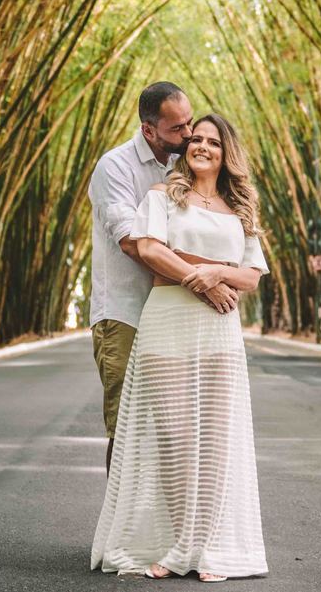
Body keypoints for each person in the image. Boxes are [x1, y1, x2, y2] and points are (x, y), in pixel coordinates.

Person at [91, 114, 270, 583]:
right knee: (173, 439)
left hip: (218, 331)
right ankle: (180, 543)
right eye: (196, 139)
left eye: (213, 142)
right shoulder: (162, 196)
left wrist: (217, 273)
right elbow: (150, 250)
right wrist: (202, 279)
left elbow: (251, 275)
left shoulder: (241, 208)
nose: (202, 146)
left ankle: (203, 548)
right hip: (167, 322)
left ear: (227, 153)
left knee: (214, 445)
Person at [88, 83, 240, 476]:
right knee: (126, 428)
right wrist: (204, 280)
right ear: (149, 130)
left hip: (177, 316)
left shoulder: (183, 164)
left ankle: (168, 515)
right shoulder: (115, 167)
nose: (189, 134)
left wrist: (218, 272)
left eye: (190, 122)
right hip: (125, 313)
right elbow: (134, 244)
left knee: (177, 432)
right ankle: (118, 516)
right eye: (178, 128)